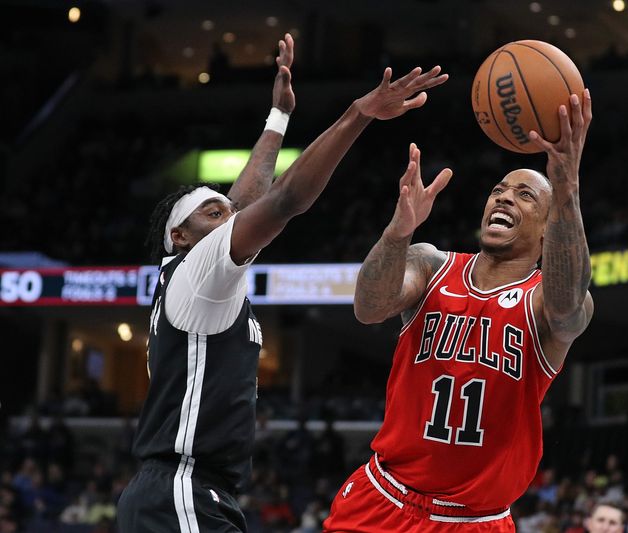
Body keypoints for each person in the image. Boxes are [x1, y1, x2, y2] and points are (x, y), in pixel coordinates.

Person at [116, 32, 448, 533]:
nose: (230, 215)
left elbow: (244, 204)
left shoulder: (191, 276)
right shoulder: (195, 270)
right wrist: (358, 114)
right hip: (180, 490)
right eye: (213, 211)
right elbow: (285, 200)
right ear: (179, 236)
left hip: (189, 491)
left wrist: (277, 119)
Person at [324, 89, 593, 531]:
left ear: (549, 228)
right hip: (383, 500)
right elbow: (368, 308)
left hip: (475, 520)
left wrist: (566, 188)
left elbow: (568, 306)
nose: (504, 198)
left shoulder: (546, 300)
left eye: (525, 196)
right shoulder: (432, 264)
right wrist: (398, 231)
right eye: (498, 191)